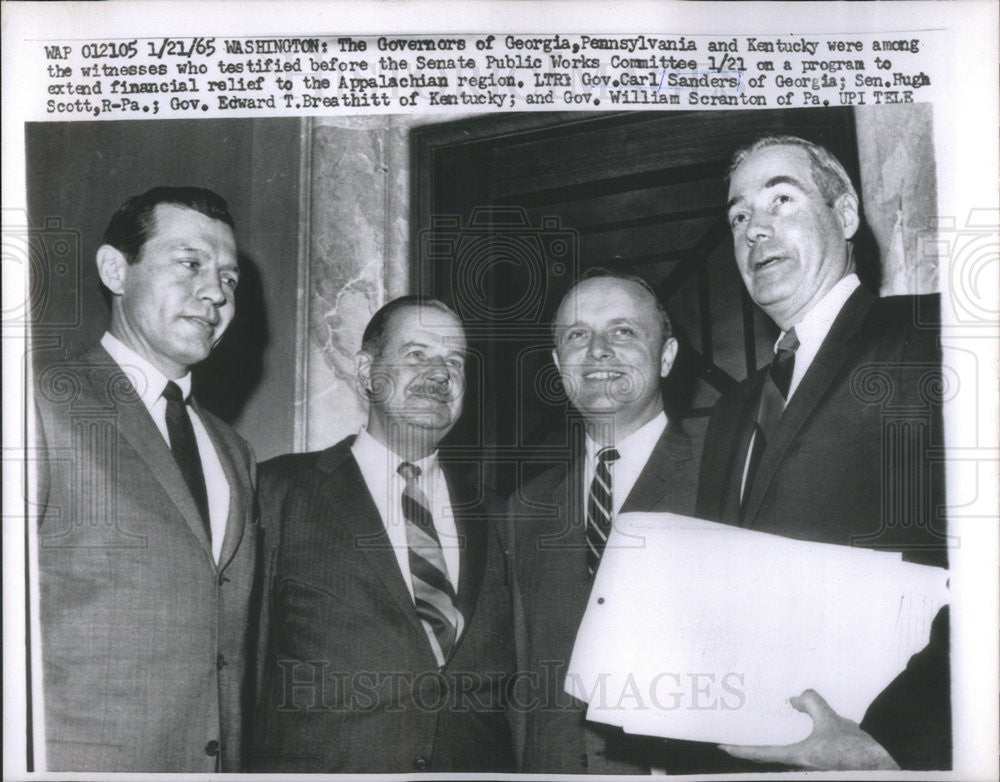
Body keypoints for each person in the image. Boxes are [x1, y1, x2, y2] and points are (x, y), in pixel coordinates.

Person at [698, 135, 949, 770]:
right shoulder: (732, 413)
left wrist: (890, 744)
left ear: (844, 215)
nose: (755, 229)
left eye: (780, 198)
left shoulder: (932, 338)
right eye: (738, 216)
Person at [34, 187, 257, 772]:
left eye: (230, 279)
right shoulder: (38, 403)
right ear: (115, 269)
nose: (215, 293)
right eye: (191, 265)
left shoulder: (234, 452)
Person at [251, 296, 515, 773]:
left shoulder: (502, 518)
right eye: (416, 354)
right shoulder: (277, 492)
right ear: (366, 371)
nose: (440, 374)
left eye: (454, 361)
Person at [507, 268, 702, 773]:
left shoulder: (727, 476)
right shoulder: (525, 509)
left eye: (623, 331)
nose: (596, 350)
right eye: (577, 335)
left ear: (666, 355)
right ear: (558, 364)